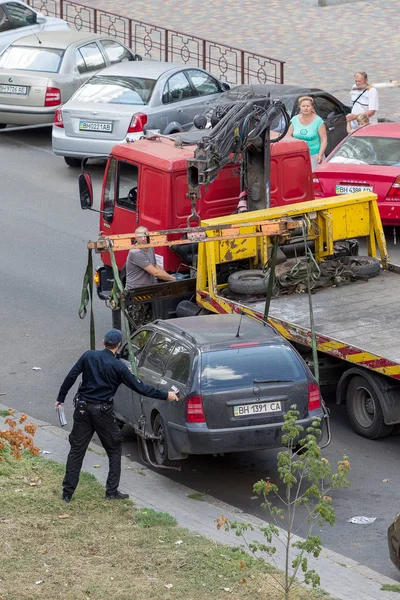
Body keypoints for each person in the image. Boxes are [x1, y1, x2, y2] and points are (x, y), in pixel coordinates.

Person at [55, 328, 179, 503]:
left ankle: (67, 494)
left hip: (82, 409)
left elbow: (71, 376)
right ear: (119, 346)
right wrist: (167, 395)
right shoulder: (119, 367)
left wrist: (60, 398)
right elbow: (141, 388)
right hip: (103, 413)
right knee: (114, 449)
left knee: (76, 450)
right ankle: (111, 491)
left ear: (103, 343)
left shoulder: (88, 356)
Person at [125, 226, 176, 329]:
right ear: (136, 238)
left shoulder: (149, 248)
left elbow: (155, 266)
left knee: (149, 325)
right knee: (137, 327)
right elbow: (154, 272)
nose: (143, 239)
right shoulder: (136, 252)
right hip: (136, 294)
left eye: (145, 236)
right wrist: (173, 279)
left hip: (148, 291)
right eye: (140, 237)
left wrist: (169, 275)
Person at [286, 96, 327, 170]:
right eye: (303, 106)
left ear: (312, 107)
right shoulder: (294, 119)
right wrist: (297, 141)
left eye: (308, 106)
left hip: (314, 155)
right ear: (300, 107)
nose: (305, 108)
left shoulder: (318, 121)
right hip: (298, 155)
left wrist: (320, 155)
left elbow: (324, 140)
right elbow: (288, 135)